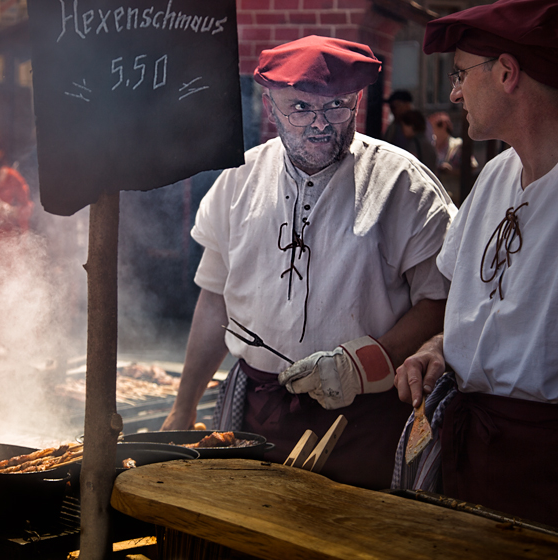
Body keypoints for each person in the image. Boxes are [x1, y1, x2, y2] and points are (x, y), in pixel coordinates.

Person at [392, 0, 558, 538]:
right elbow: (484, 310)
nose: (455, 92)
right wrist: (437, 350)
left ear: (507, 71)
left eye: (462, 73)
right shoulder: (495, 176)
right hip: (476, 456)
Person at [162, 36, 456, 489]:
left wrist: (363, 364)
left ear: (357, 101)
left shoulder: (403, 184)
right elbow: (216, 301)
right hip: (255, 414)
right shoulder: (237, 179)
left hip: (364, 420)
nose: (320, 124)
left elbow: (440, 302)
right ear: (270, 107)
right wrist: (184, 405)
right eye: (299, 108)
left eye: (336, 106)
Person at [428, 111, 476, 202]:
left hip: (455, 196)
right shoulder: (432, 146)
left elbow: (472, 168)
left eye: (433, 127)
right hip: (437, 197)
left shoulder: (457, 146)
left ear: (444, 126)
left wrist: (451, 171)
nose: (431, 131)